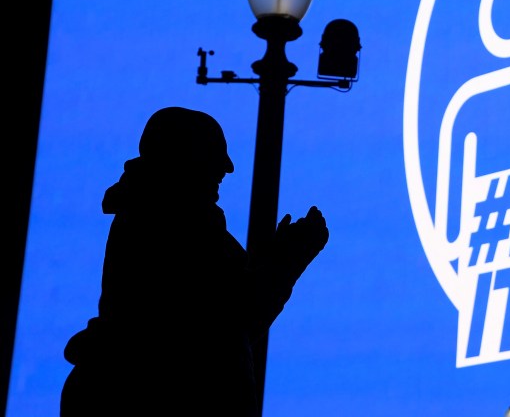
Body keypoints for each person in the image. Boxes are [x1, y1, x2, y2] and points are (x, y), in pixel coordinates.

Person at [60, 106, 329, 416]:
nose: (227, 167)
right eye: (213, 151)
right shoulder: (174, 221)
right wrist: (289, 257)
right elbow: (228, 319)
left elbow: (226, 326)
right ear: (181, 156)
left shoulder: (162, 215)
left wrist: (277, 259)